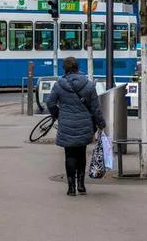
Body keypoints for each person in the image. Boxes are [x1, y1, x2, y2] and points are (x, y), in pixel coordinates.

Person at [46, 56, 106, 196]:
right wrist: (101, 124)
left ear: (65, 69)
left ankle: (71, 187)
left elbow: (50, 103)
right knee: (81, 154)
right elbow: (95, 108)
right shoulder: (89, 85)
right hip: (84, 124)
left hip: (66, 123)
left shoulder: (59, 85)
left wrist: (58, 115)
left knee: (69, 155)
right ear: (78, 67)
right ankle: (81, 185)